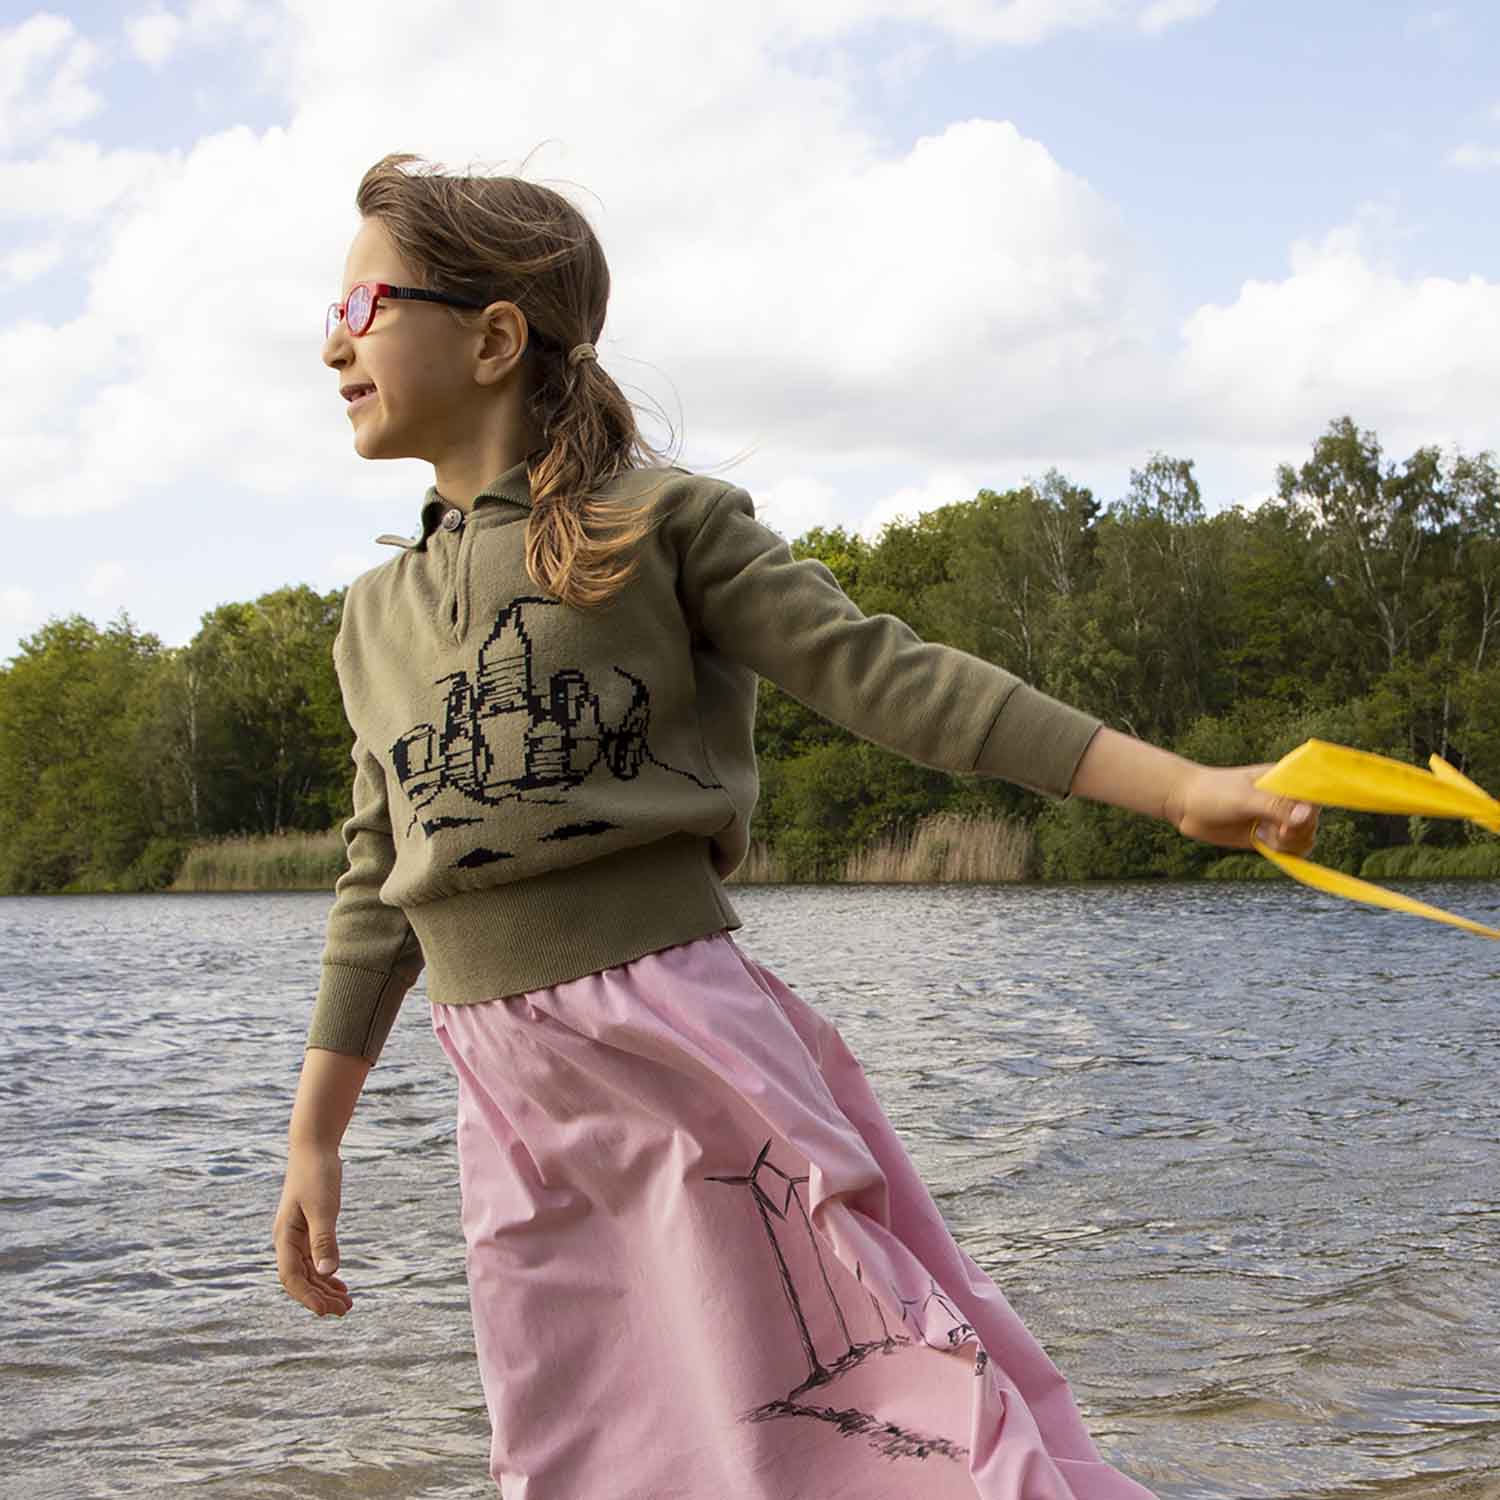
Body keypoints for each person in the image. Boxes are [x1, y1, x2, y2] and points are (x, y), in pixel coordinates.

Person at [272, 151, 1319, 1500]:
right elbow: (376, 889)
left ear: (491, 337)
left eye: (359, 310)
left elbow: (893, 677)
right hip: (513, 1102)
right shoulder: (372, 619)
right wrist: (315, 1138)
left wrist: (1180, 788)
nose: (328, 346)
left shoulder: (658, 526)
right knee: (591, 1446)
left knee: (868, 1398)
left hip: (679, 1042)